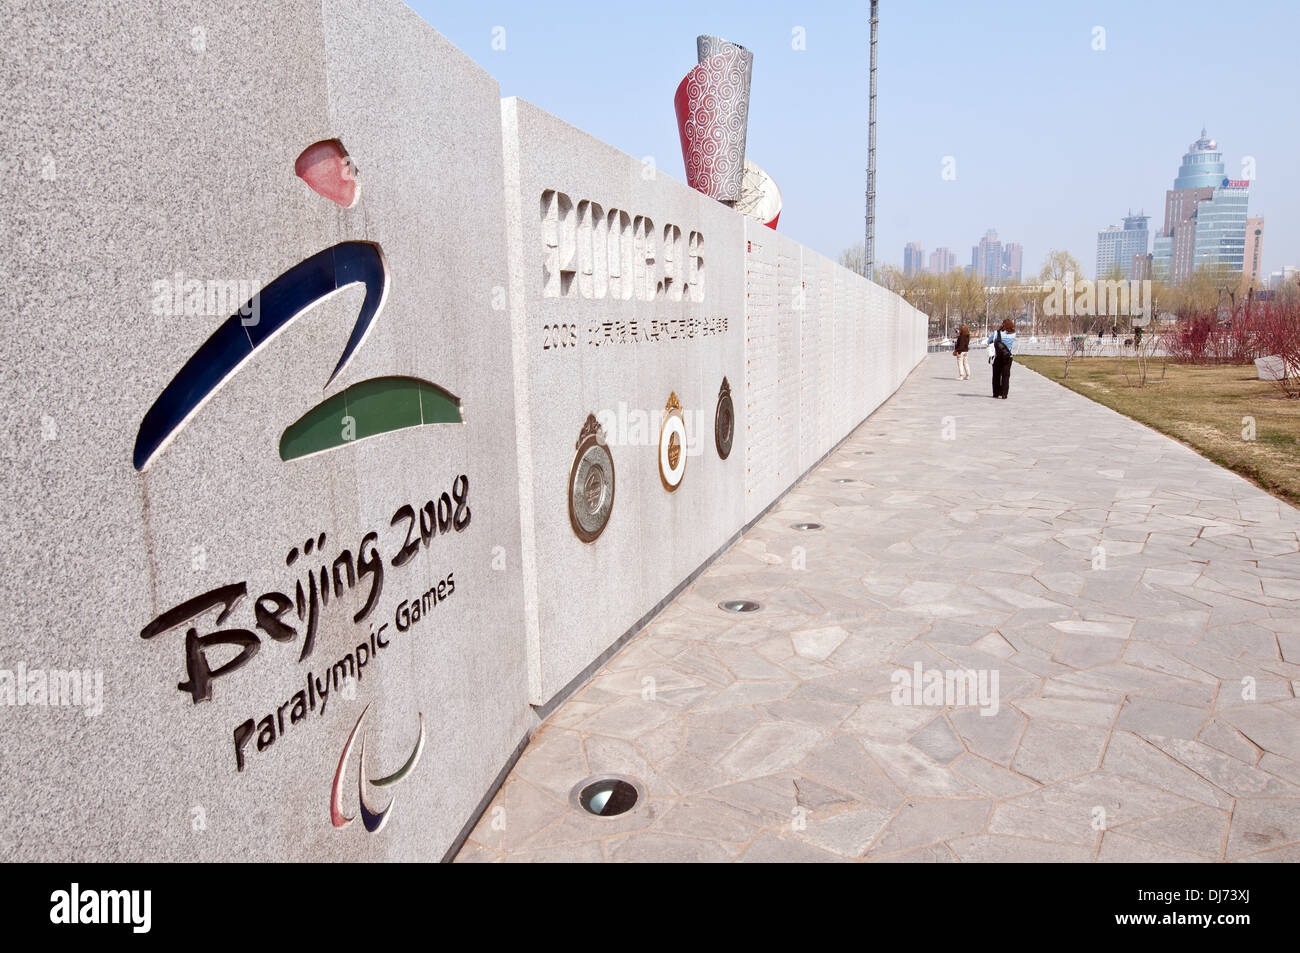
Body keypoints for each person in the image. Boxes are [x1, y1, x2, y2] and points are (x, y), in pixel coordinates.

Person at [987, 318, 1016, 398]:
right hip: (1008, 357)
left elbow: (988, 341)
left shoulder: (997, 333)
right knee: (1006, 376)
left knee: (996, 375)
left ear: (1003, 325)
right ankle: (1004, 394)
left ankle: (996, 393)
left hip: (998, 357)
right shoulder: (1013, 335)